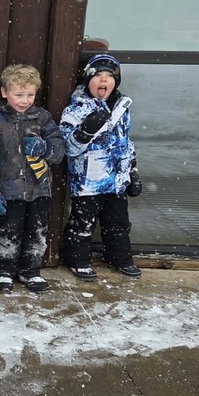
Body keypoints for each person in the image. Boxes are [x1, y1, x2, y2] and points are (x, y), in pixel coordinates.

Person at [0, 64, 65, 293]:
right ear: (4, 92)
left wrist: (45, 148)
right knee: (7, 231)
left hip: (39, 188)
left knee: (37, 231)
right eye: (18, 94)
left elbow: (58, 149)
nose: (25, 100)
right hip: (8, 189)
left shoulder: (42, 118)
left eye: (30, 94)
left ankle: (30, 270)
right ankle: (3, 271)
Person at [59, 54, 143, 281]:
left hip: (117, 180)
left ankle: (119, 257)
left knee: (118, 222)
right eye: (98, 76)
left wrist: (132, 170)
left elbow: (126, 142)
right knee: (83, 223)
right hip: (89, 180)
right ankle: (78, 260)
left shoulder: (122, 108)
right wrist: (85, 131)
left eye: (109, 76)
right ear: (88, 80)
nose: (104, 80)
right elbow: (69, 148)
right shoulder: (75, 110)